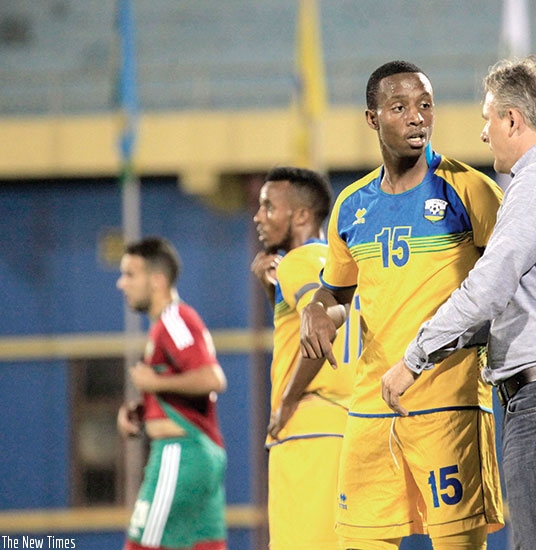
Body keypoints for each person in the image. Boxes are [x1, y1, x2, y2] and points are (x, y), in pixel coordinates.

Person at [382, 55, 536, 550]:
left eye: (487, 119)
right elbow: (519, 300)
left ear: (513, 119)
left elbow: (488, 286)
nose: (483, 134)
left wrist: (414, 357)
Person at [300, 60, 505, 549]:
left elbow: (511, 284)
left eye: (425, 106)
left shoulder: (470, 190)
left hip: (448, 404)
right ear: (372, 119)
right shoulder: (351, 205)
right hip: (370, 405)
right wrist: (317, 307)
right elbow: (338, 295)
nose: (417, 118)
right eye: (400, 107)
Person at [250, 166, 357, 549]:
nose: (258, 216)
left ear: (300, 215)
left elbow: (324, 320)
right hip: (346, 427)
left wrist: (287, 401)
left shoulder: (297, 262)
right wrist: (272, 294)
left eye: (268, 207)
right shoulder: (339, 266)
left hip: (308, 428)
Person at [116, 236, 227, 550]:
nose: (121, 284)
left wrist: (155, 384)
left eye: (130, 274)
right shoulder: (166, 325)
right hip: (200, 455)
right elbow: (186, 384)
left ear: (157, 280)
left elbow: (212, 377)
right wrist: (143, 410)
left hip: (180, 453)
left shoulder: (173, 321)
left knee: (140, 546)